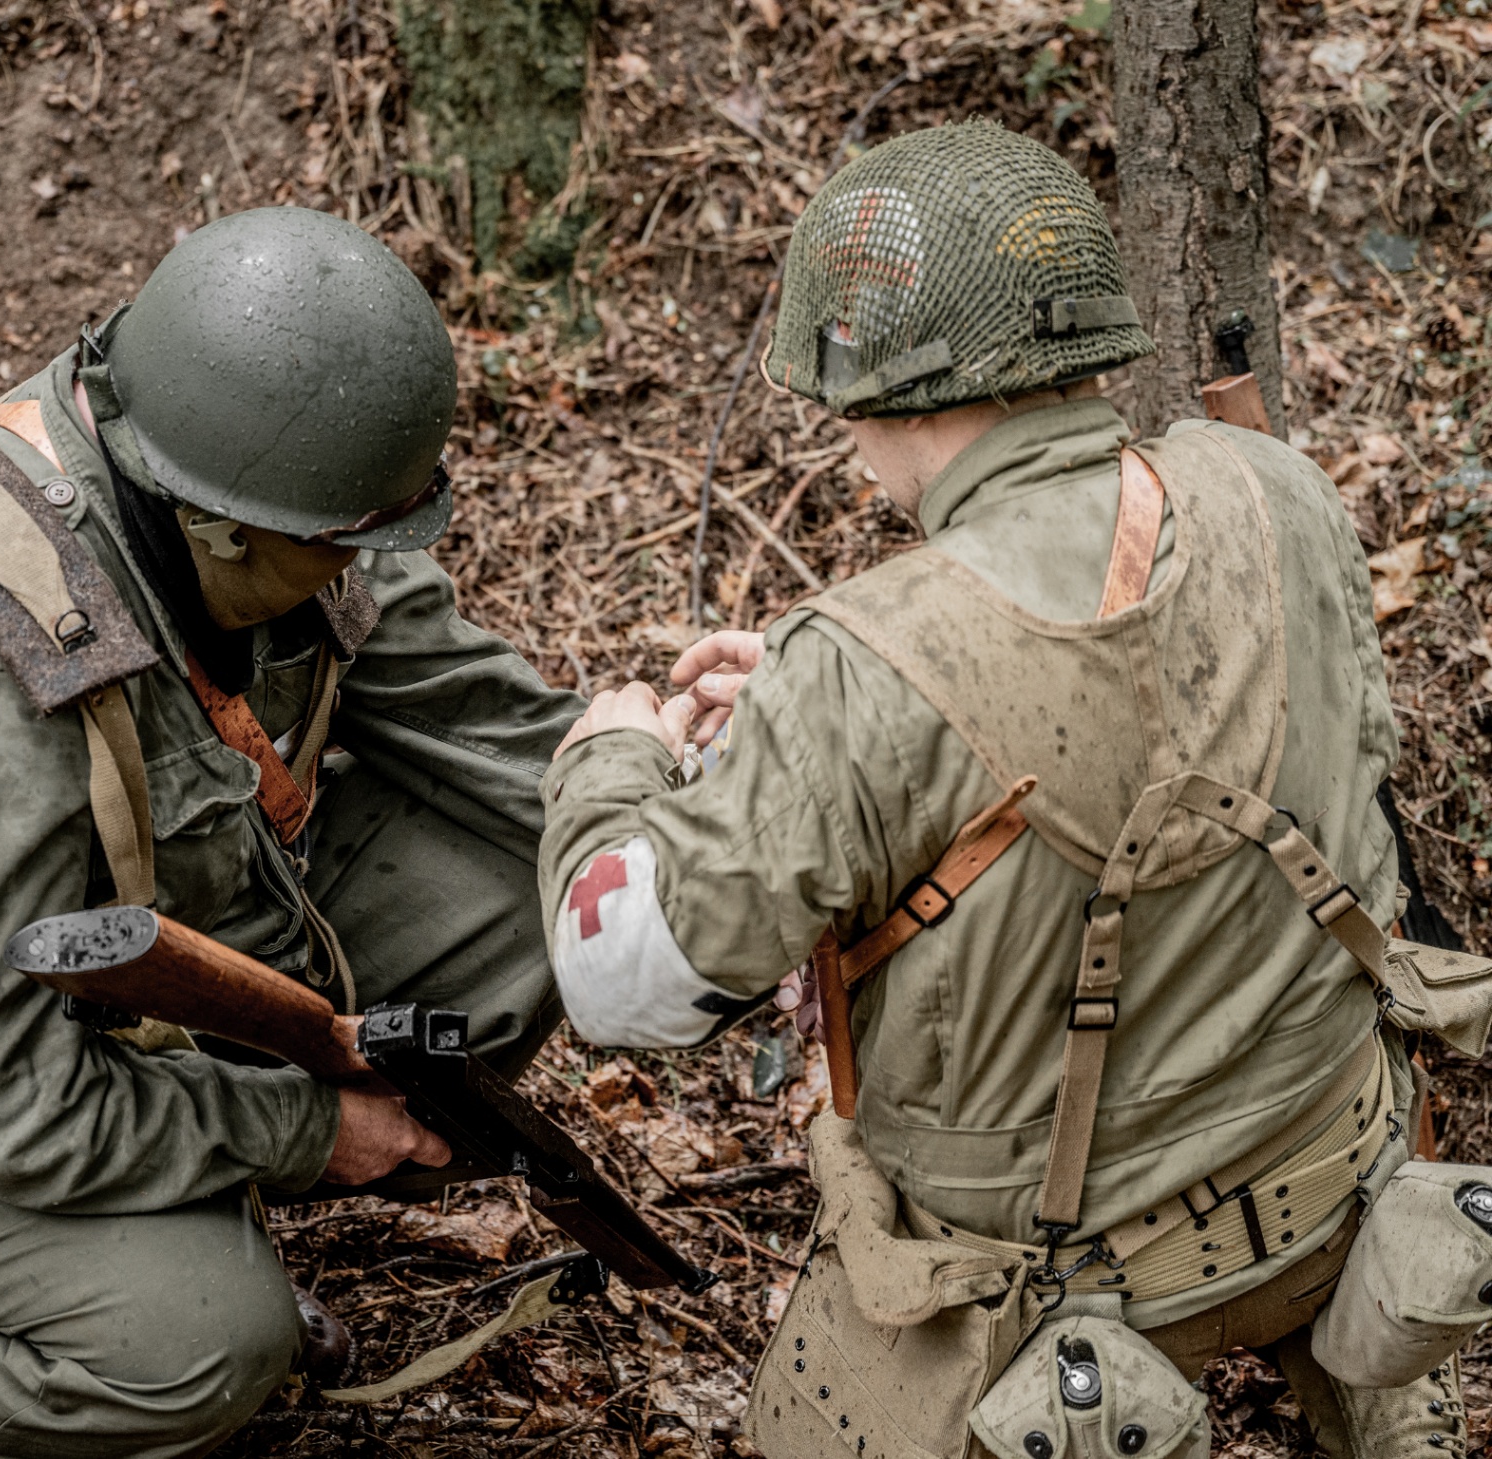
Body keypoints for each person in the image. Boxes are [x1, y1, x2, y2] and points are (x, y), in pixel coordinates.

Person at [539, 123, 1477, 1458]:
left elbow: (620, 982)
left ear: (891, 392)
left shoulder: (859, 667)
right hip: (1336, 1172)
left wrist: (614, 754)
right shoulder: (1274, 484)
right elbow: (1319, 769)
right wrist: (823, 749)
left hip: (1055, 1303)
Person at [0, 207, 580, 1458]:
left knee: (560, 885)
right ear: (226, 523)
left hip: (81, 997)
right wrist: (312, 1129)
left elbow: (490, 729)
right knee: (201, 1343)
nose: (367, 567)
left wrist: (686, 810)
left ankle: (145, 1238)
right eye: (345, 546)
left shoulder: (242, 471)